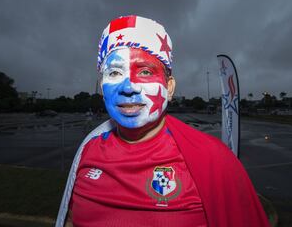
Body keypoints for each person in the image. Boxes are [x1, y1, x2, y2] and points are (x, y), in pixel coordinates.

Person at [56, 15, 270, 227]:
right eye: (114, 73)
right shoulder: (87, 151)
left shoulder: (214, 160)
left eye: (146, 71)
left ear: (169, 88)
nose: (128, 88)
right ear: (102, 88)